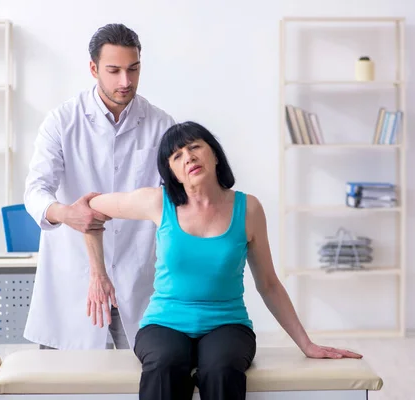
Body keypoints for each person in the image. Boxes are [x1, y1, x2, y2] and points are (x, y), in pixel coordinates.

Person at [83, 121, 363, 400]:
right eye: (177, 156)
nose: (188, 157)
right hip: (165, 322)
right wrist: (98, 273)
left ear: (214, 155)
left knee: (220, 369)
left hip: (227, 324)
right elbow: (88, 210)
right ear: (172, 173)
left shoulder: (248, 208)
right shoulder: (158, 202)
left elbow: (268, 284)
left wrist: (306, 344)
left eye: (195, 147)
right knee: (165, 365)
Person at [23, 23, 175, 350]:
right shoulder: (62, 121)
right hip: (72, 282)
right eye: (114, 70)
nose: (126, 81)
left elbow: (176, 199)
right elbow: (36, 190)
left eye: (133, 69)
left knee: (137, 382)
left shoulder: (162, 125)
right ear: (93, 69)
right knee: (65, 385)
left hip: (138, 280)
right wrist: (66, 213)